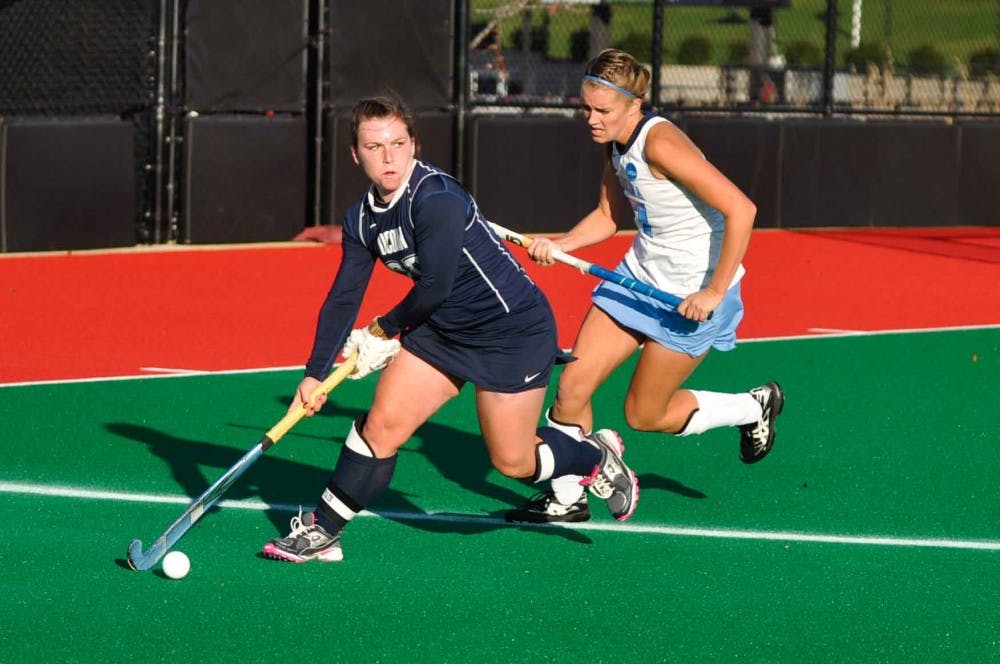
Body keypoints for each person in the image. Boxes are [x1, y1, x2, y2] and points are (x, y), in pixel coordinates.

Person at [262, 96, 639, 563]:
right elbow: (344, 296)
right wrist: (315, 373)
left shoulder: (435, 199)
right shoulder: (362, 218)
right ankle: (323, 531)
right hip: (441, 331)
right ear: (354, 154)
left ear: (414, 145)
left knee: (512, 461)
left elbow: (436, 285)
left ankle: (593, 456)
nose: (389, 157)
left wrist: (384, 329)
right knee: (380, 426)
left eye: (398, 143)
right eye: (374, 146)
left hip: (510, 333)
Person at [506, 49, 783, 524]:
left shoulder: (660, 144)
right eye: (586, 108)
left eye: (602, 111)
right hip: (638, 277)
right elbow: (609, 216)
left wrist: (714, 292)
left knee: (645, 415)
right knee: (572, 386)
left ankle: (749, 407)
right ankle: (567, 497)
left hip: (689, 294)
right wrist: (561, 244)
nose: (591, 120)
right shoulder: (616, 139)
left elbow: (743, 210)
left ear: (635, 104)